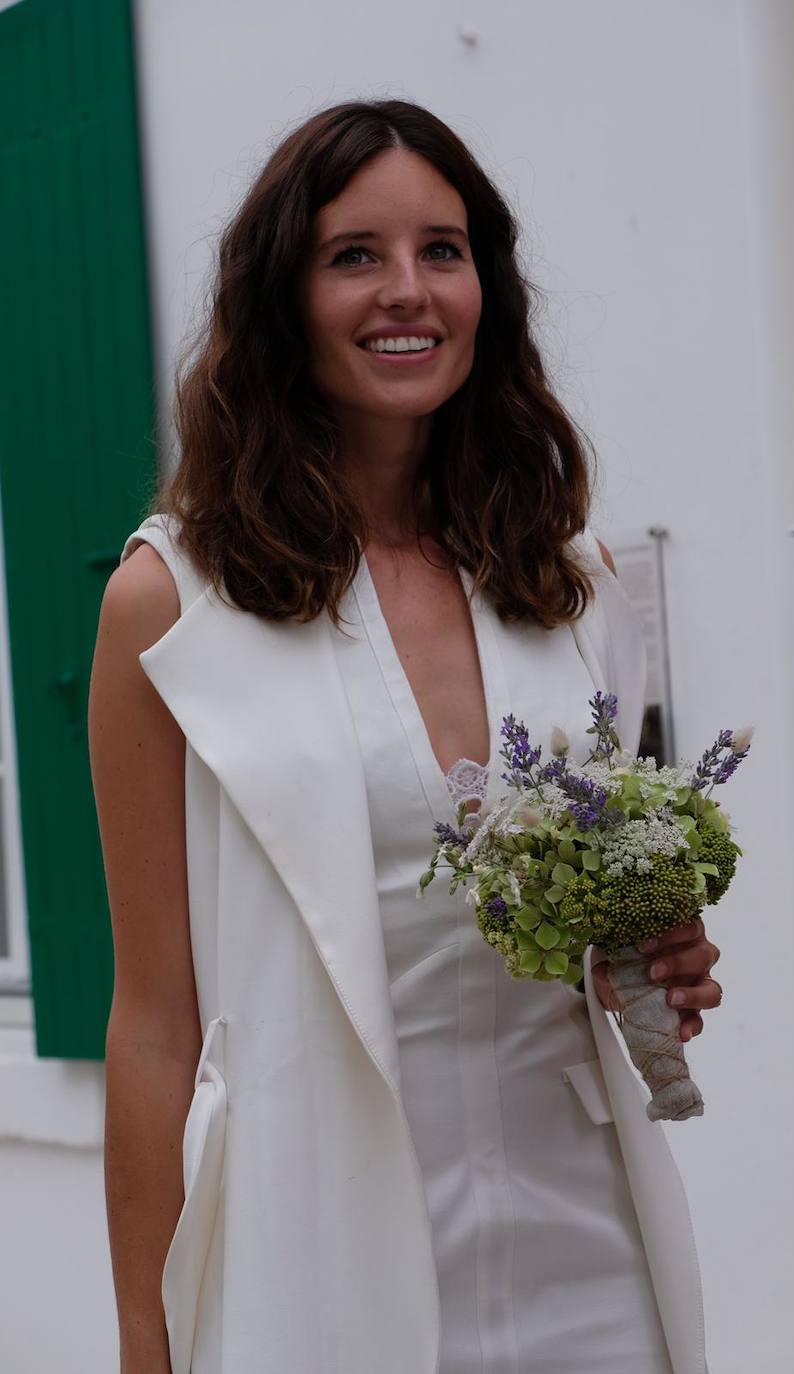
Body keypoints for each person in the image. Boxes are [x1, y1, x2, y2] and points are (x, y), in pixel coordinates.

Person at [89, 98, 723, 1374]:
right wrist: (145, 1349)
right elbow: (153, 1025)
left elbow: (569, 932)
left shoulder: (565, 580)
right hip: (311, 1256)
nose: (409, 293)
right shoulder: (172, 606)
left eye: (444, 249)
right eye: (353, 255)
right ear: (283, 295)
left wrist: (648, 955)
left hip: (581, 1243)